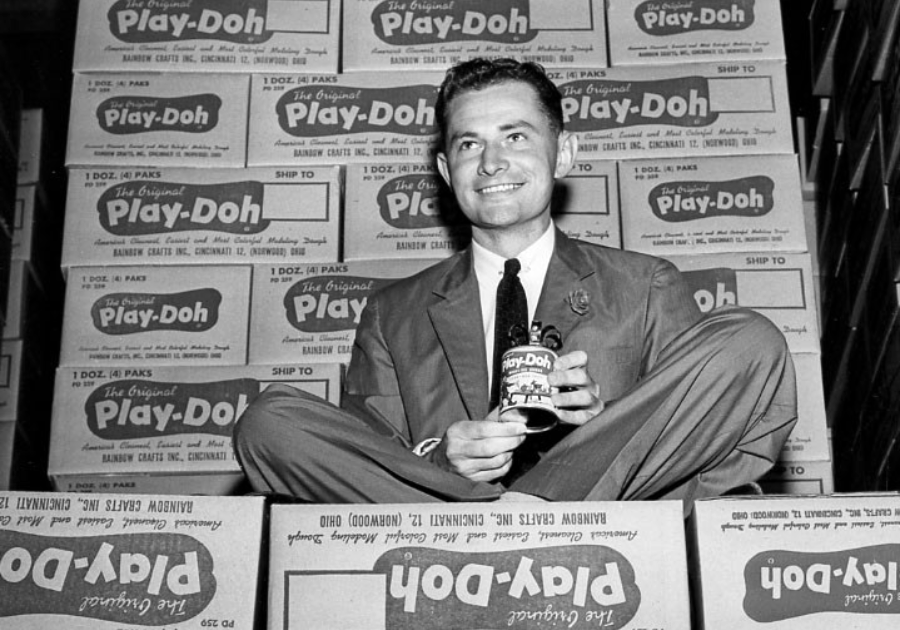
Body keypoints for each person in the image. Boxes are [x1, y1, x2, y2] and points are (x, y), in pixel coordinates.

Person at [234, 57, 797, 511]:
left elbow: (702, 442)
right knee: (268, 422)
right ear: (445, 170)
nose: (491, 163)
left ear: (563, 154)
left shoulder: (644, 284)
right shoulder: (393, 311)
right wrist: (439, 460)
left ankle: (537, 507)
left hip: (601, 520)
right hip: (446, 521)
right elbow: (371, 458)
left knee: (751, 340)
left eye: (515, 137)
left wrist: (603, 425)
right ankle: (496, 520)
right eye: (469, 144)